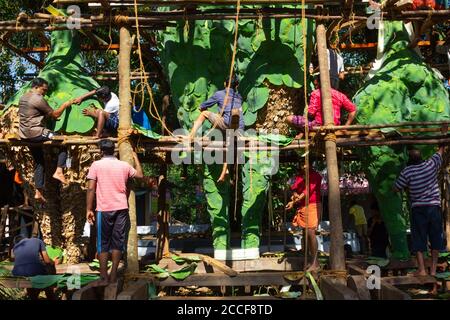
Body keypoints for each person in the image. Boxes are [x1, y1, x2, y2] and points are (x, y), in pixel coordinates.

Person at [86, 139, 143, 286]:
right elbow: (140, 176)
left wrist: (88, 209)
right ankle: (113, 275)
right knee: (117, 242)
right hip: (121, 208)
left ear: (101, 151)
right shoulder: (124, 165)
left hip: (103, 209)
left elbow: (91, 188)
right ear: (114, 151)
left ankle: (104, 276)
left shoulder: (96, 165)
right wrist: (136, 158)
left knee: (103, 243)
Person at [394, 145, 446, 277]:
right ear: (421, 157)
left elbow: (396, 188)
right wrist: (442, 140)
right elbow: (440, 151)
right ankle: (433, 271)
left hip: (418, 209)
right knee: (436, 239)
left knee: (419, 239)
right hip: (434, 208)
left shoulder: (407, 172)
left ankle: (422, 270)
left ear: (409, 159)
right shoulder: (430, 164)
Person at [19, 77, 72, 202]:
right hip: (36, 133)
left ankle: (38, 192)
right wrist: (65, 105)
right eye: (44, 89)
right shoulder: (37, 98)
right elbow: (55, 114)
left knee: (39, 161)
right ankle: (59, 171)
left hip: (24, 134)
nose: (45, 92)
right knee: (62, 141)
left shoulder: (23, 97)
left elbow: (35, 113)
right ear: (37, 87)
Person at [189, 76, 244, 182]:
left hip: (228, 124)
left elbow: (202, 107)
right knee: (226, 143)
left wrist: (204, 108)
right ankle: (225, 170)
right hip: (239, 128)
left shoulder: (220, 94)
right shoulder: (239, 97)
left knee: (204, 114)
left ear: (224, 84)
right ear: (236, 86)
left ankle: (191, 135)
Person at [286, 164, 322, 271]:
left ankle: (315, 263)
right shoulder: (300, 176)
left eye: (306, 163)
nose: (304, 165)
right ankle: (308, 260)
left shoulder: (315, 175)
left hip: (312, 205)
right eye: (302, 163)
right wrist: (293, 197)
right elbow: (295, 189)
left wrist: (294, 201)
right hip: (303, 206)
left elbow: (307, 192)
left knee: (310, 232)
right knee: (305, 233)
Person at [286, 76, 357, 131]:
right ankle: (303, 131)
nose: (315, 85)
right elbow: (353, 110)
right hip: (335, 126)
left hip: (318, 125)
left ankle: (303, 132)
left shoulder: (316, 93)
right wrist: (345, 126)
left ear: (319, 83)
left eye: (315, 84)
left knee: (288, 118)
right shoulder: (339, 95)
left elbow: (311, 113)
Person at [12, 235, 57, 299]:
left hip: (18, 275)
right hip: (35, 273)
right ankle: (51, 287)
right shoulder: (38, 241)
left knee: (31, 275)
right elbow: (47, 260)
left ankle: (34, 295)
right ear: (26, 238)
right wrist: (52, 261)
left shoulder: (15, 247)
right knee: (49, 267)